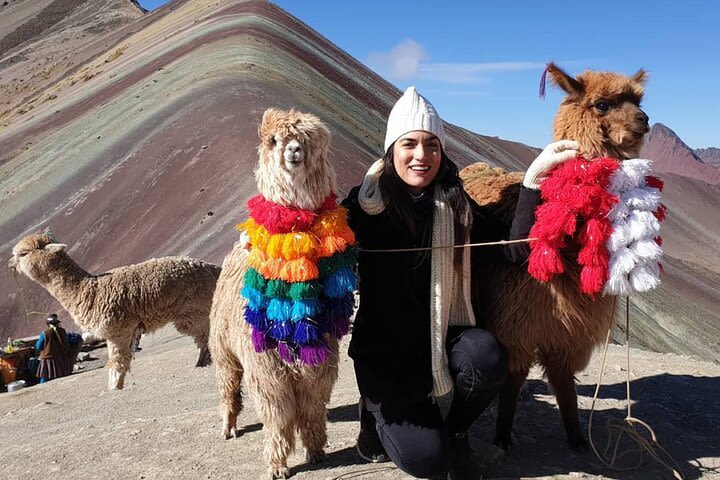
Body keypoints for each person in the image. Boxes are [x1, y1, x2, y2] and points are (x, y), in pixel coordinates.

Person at [342, 86, 578, 479]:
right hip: (388, 356)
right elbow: (321, 241)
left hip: (443, 338)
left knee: (487, 357)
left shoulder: (456, 204)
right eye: (410, 144)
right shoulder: (363, 207)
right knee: (428, 462)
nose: (422, 156)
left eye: (432, 145)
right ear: (392, 149)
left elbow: (513, 249)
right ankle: (373, 414)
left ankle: (456, 429)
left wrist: (533, 183)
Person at [35, 314, 73, 383]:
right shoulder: (62, 331)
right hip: (61, 359)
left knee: (44, 379)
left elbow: (38, 347)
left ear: (48, 324)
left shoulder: (45, 334)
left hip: (47, 360)